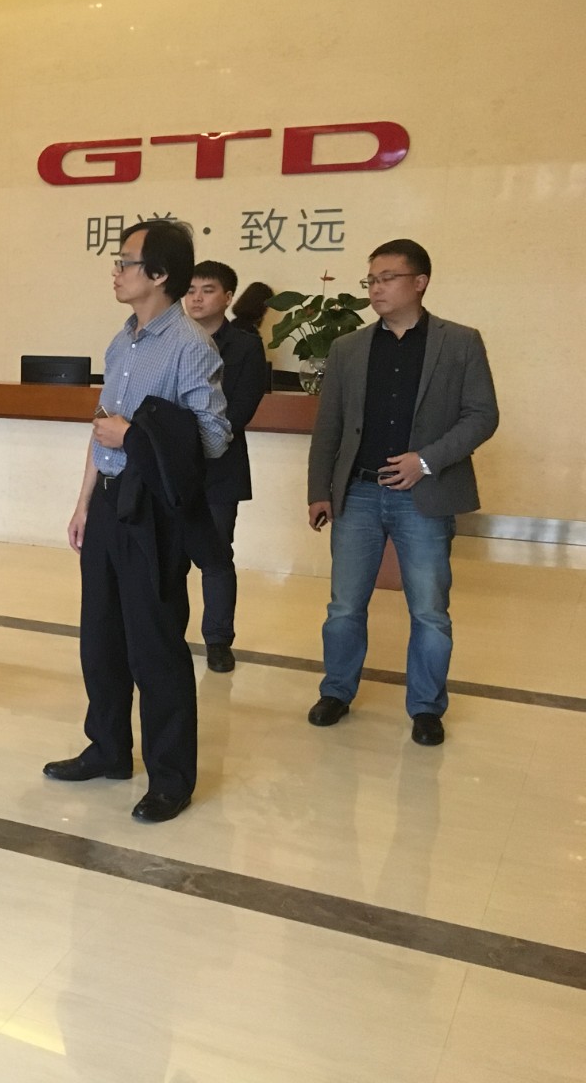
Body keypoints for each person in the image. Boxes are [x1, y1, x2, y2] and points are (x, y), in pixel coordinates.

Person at [43, 220, 230, 823]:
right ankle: (108, 748)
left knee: (155, 643)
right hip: (108, 503)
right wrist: (83, 502)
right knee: (100, 635)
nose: (116, 272)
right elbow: (102, 429)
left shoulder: (191, 346)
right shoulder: (121, 342)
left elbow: (214, 437)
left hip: (154, 512)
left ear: (160, 274)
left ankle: (171, 776)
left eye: (126, 262)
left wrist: (136, 436)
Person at [305, 239, 498, 746]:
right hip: (359, 494)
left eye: (387, 278)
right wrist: (319, 489)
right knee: (344, 605)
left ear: (420, 282)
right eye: (371, 279)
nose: (376, 288)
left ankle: (427, 707)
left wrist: (425, 460)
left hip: (423, 497)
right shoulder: (348, 348)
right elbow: (329, 426)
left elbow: (482, 415)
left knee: (429, 609)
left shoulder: (460, 342)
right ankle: (336, 691)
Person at [183, 261, 266, 672]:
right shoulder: (173, 340)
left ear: (228, 297)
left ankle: (218, 640)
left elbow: (240, 410)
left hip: (219, 468)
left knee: (215, 555)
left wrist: (187, 441)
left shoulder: (246, 346)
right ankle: (166, 632)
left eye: (208, 290)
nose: (196, 298)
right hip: (172, 468)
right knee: (167, 556)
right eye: (191, 290)